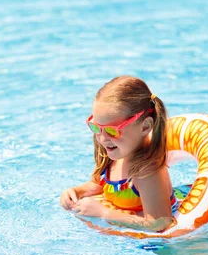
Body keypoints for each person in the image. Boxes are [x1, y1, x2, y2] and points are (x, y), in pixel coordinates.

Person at [60, 75, 176, 232]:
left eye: (111, 130)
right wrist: (75, 192)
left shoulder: (147, 171)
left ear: (145, 127)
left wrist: (104, 213)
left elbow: (160, 224)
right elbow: (98, 184)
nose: (102, 138)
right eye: (96, 127)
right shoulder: (113, 154)